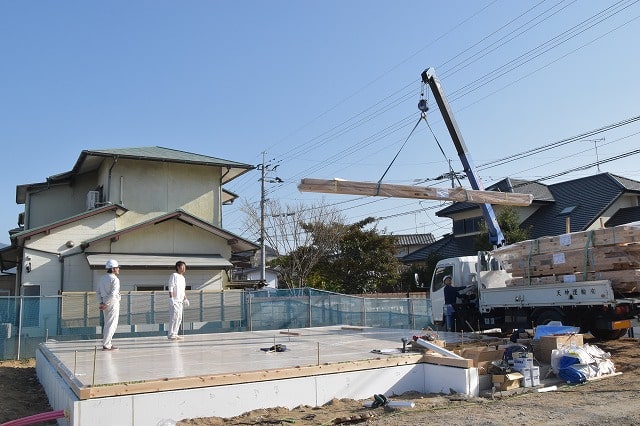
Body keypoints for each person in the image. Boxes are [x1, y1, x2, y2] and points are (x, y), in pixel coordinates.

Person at [97, 259, 121, 351]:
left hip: (104, 303)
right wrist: (106, 303)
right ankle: (107, 344)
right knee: (112, 324)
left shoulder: (102, 278)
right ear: (113, 269)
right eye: (117, 267)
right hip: (112, 303)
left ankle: (107, 343)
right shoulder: (115, 279)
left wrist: (102, 303)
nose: (118, 269)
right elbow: (113, 293)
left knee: (107, 324)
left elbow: (98, 292)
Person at [167, 261, 189, 340]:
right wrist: (171, 298)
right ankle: (171, 334)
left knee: (179, 318)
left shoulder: (183, 278)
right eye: (182, 266)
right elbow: (171, 287)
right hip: (174, 300)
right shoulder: (174, 275)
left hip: (180, 301)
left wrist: (185, 298)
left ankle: (175, 333)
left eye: (184, 267)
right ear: (178, 267)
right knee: (174, 317)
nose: (184, 268)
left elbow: (183, 290)